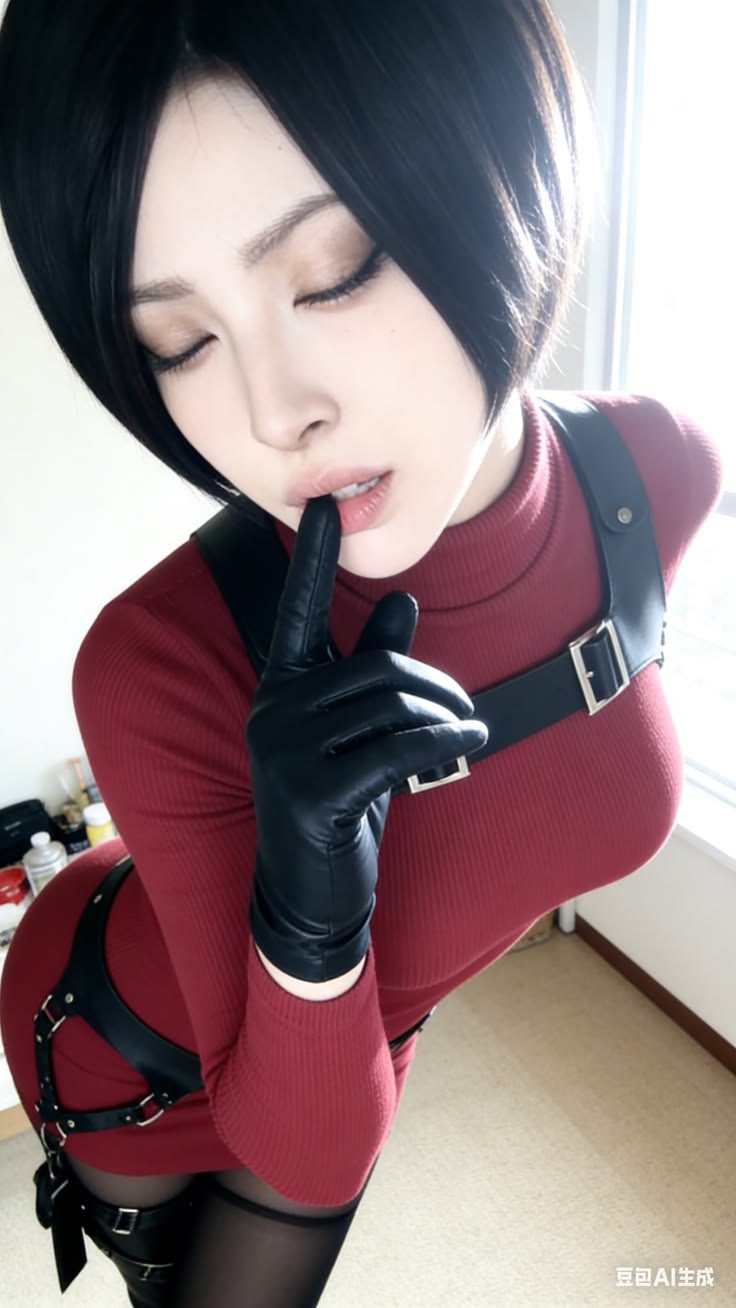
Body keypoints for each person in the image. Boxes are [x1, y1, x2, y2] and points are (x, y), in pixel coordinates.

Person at [0, 2, 723, 1306]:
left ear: (505, 164)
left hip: (350, 1030)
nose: (275, 414)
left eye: (333, 269)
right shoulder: (156, 663)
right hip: (126, 1043)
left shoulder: (657, 471)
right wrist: (307, 913)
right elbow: (308, 1153)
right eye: (181, 342)